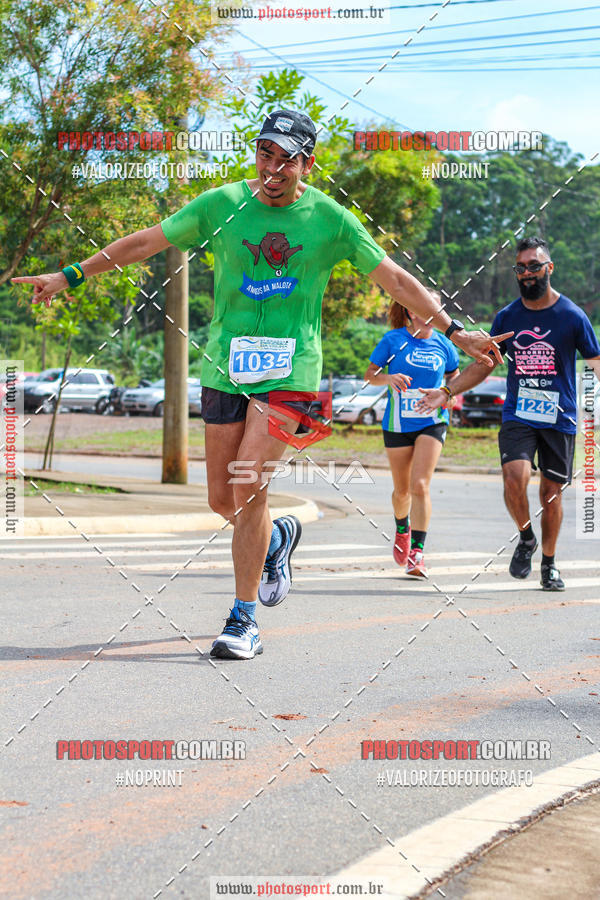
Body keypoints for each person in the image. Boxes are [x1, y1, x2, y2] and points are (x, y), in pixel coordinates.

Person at [12, 108, 511, 658]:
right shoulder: (221, 206)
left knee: (248, 485)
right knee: (221, 498)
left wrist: (456, 331)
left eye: (287, 159)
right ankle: (277, 539)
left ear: (308, 163)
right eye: (265, 154)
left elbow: (396, 279)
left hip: (292, 370)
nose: (273, 168)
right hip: (225, 366)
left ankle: (242, 620)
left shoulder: (332, 220)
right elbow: (145, 243)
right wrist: (70, 274)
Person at [418, 236, 600, 590]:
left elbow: (595, 361)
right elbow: (484, 365)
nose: (528, 273)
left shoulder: (573, 317)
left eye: (534, 266)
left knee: (551, 493)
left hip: (559, 417)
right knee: (514, 479)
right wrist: (446, 391)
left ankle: (549, 563)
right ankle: (525, 537)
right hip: (519, 414)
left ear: (549, 268)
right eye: (521, 268)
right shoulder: (507, 317)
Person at [365, 292, 459, 577]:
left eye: (437, 306)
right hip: (397, 423)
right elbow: (370, 374)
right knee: (402, 490)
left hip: (432, 421)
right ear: (410, 310)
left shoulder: (445, 343)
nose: (433, 311)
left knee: (420, 485)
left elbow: (454, 376)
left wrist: (449, 394)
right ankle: (402, 528)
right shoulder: (393, 340)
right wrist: (388, 378)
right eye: (426, 305)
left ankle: (417, 553)